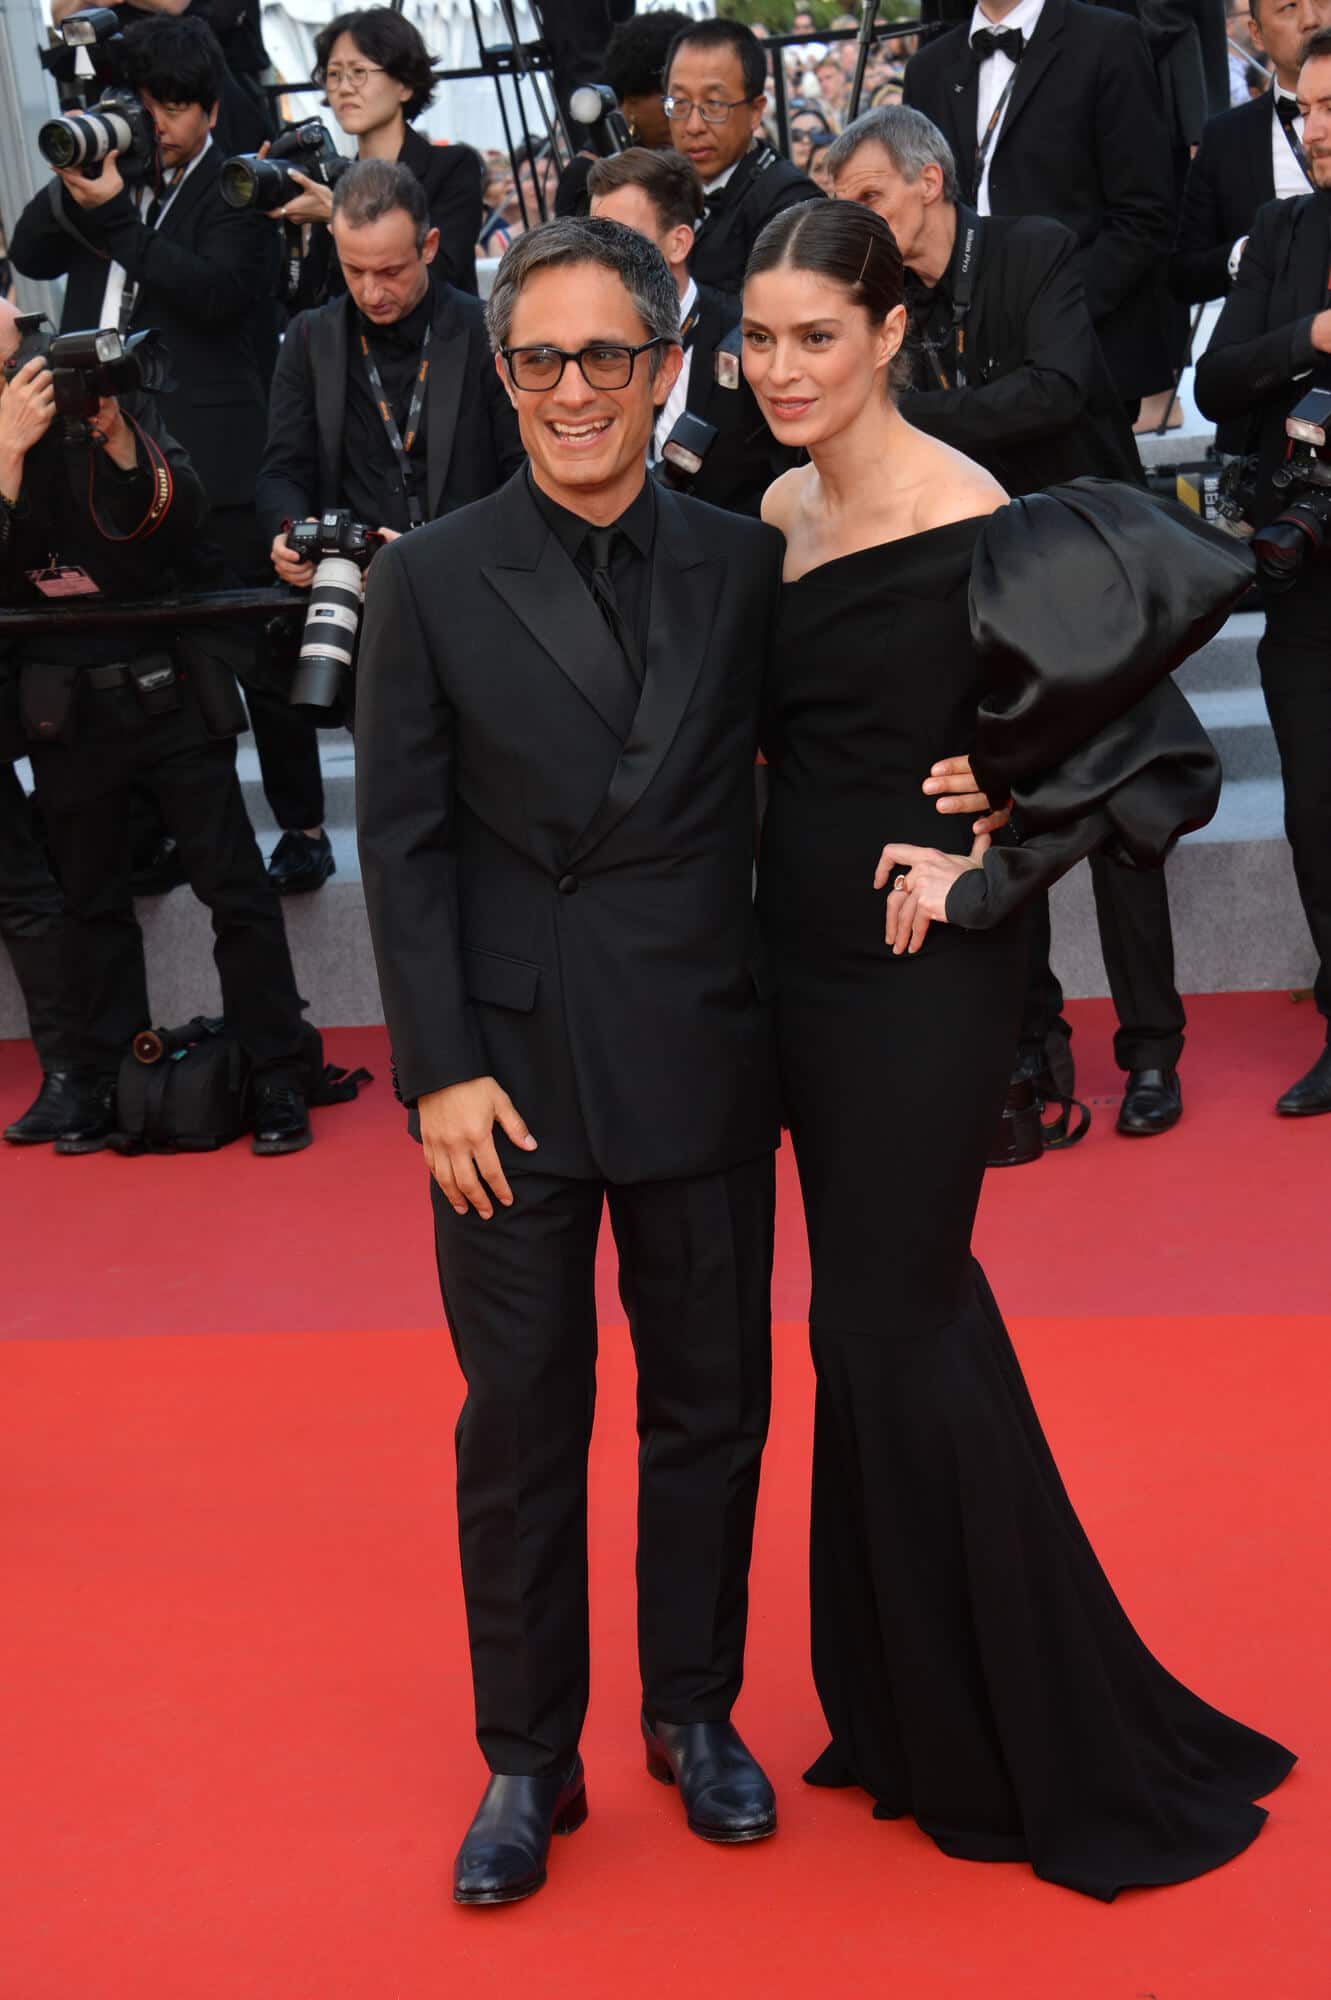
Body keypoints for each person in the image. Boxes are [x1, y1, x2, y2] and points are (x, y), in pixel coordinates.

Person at [743, 195, 1295, 1900]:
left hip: (922, 971)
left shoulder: (976, 508)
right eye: (755, 338)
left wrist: (995, 856)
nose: (780, 370)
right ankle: (916, 1702)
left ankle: (1032, 1736)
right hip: (799, 963)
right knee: (884, 1323)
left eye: (815, 336)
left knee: (881, 1317)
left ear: (891, 331)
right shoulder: (767, 509)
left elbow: (1145, 756)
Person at [354, 215, 785, 1907]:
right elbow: (400, 841)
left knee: (710, 1411)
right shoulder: (431, 575)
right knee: (520, 1424)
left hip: (696, 1042)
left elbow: (812, 782)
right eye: (540, 360)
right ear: (503, 374)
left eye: (609, 355)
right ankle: (526, 1757)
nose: (574, 391)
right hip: (507, 1080)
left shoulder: (743, 566)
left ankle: (694, 1711)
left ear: (667, 365)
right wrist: (436, 1068)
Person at [829, 105, 1187, 1136]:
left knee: (1121, 820)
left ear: (927, 182)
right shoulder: (880, 303)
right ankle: (1031, 1046)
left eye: (867, 198)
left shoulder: (1033, 249)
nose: (850, 220)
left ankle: (1150, 1051)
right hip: (971, 598)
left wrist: (898, 422)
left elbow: (1053, 391)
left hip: (1090, 583)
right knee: (1000, 815)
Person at [0, 305, 311, 1155]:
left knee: (235, 892)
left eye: (24, 331)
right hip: (64, 704)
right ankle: (104, 1081)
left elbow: (186, 520)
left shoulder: (96, 392)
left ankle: (279, 1071)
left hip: (168, 688)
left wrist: (119, 440)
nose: (27, 355)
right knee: (91, 903)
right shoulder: (11, 431)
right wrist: (7, 454)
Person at [6, 15, 307, 893]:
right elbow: (29, 252)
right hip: (101, 453)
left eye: (170, 110)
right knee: (134, 645)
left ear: (209, 108)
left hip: (213, 449)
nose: (155, 126)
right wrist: (79, 179)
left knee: (260, 648)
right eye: (142, 107)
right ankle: (153, 829)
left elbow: (216, 297)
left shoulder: (239, 185)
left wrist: (120, 225)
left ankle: (301, 823)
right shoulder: (112, 175)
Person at [1194, 25, 1331, 1114]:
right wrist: (1314, 336)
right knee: (1317, 809)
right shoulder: (1280, 231)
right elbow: (1217, 377)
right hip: (1306, 565)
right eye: (1305, 110)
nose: (1315, 129)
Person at [258, 160, 523, 609]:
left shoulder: (489, 334)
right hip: (352, 603)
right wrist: (288, 534)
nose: (371, 292)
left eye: (390, 272)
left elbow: (523, 475)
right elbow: (281, 471)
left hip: (472, 591)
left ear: (429, 246)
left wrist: (432, 552)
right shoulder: (309, 338)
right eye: (353, 270)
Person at [903, 0, 1176, 414]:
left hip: (1084, 348)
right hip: (961, 362)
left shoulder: (1108, 40)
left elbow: (1144, 211)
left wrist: (1054, 313)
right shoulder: (928, 67)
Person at [588, 148, 798, 516]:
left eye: (622, 237)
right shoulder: (580, 347)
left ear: (679, 243)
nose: (602, 256)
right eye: (594, 238)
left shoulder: (751, 339)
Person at [275, 7, 483, 298]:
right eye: (334, 75)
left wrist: (339, 218)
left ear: (405, 85)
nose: (344, 88)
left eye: (359, 73)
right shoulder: (335, 182)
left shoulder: (453, 167)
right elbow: (307, 301)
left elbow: (440, 275)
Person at [1172, 0, 1331, 308]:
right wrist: (1246, 253)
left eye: (1323, 1)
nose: (1311, 19)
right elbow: (1183, 274)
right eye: (1289, 7)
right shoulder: (1225, 139)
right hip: (1278, 345)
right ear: (1256, 34)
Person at [663, 18, 821, 297]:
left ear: (756, 111)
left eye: (713, 104)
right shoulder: (658, 186)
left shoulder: (791, 205)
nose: (693, 126)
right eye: (680, 104)